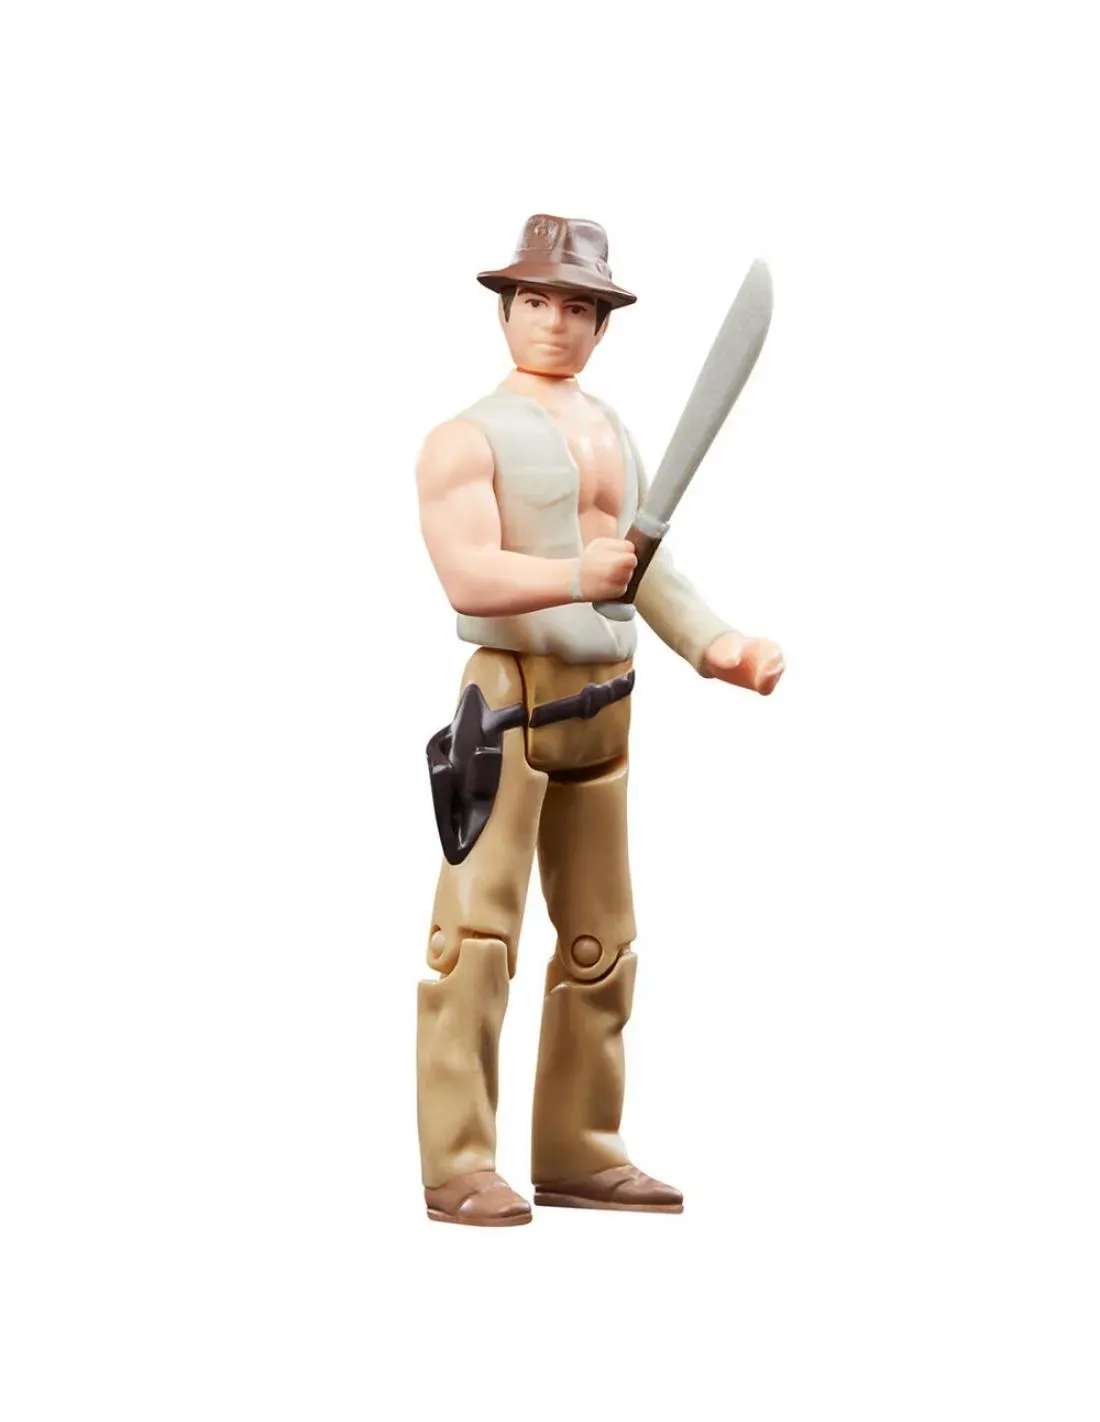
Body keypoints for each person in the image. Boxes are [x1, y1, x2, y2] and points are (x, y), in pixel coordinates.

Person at [415, 214, 784, 1226]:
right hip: (510, 701)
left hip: (606, 704)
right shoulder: (465, 439)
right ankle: (457, 1161)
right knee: (474, 938)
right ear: (505, 311)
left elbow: (640, 567)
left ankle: (580, 1149)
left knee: (599, 942)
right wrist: (573, 575)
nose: (555, 321)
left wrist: (714, 643)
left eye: (577, 306)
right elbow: (467, 572)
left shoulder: (611, 431)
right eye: (536, 300)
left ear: (601, 323)